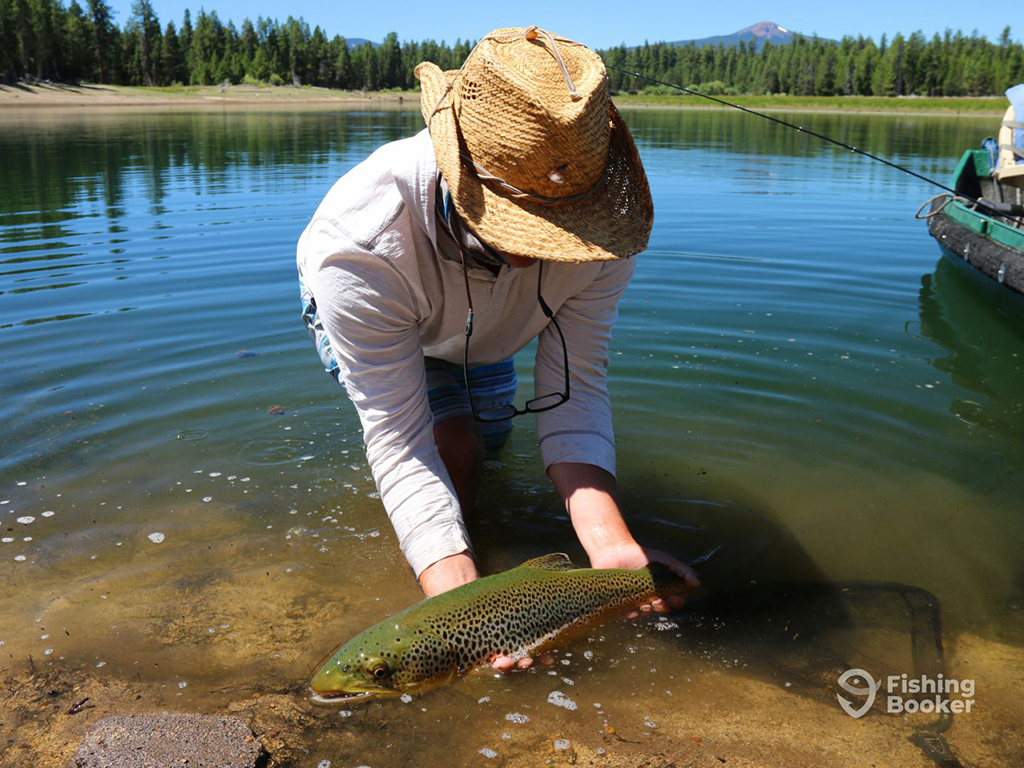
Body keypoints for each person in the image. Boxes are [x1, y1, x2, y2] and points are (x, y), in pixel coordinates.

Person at [296, 26, 699, 669]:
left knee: (480, 453)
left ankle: (465, 534)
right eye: (534, 230)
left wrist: (613, 548)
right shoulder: (359, 246)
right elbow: (400, 440)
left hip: (490, 326)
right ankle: (450, 563)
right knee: (448, 446)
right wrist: (464, 618)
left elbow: (575, 389)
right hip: (398, 307)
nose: (554, 247)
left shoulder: (605, 235)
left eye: (566, 227)